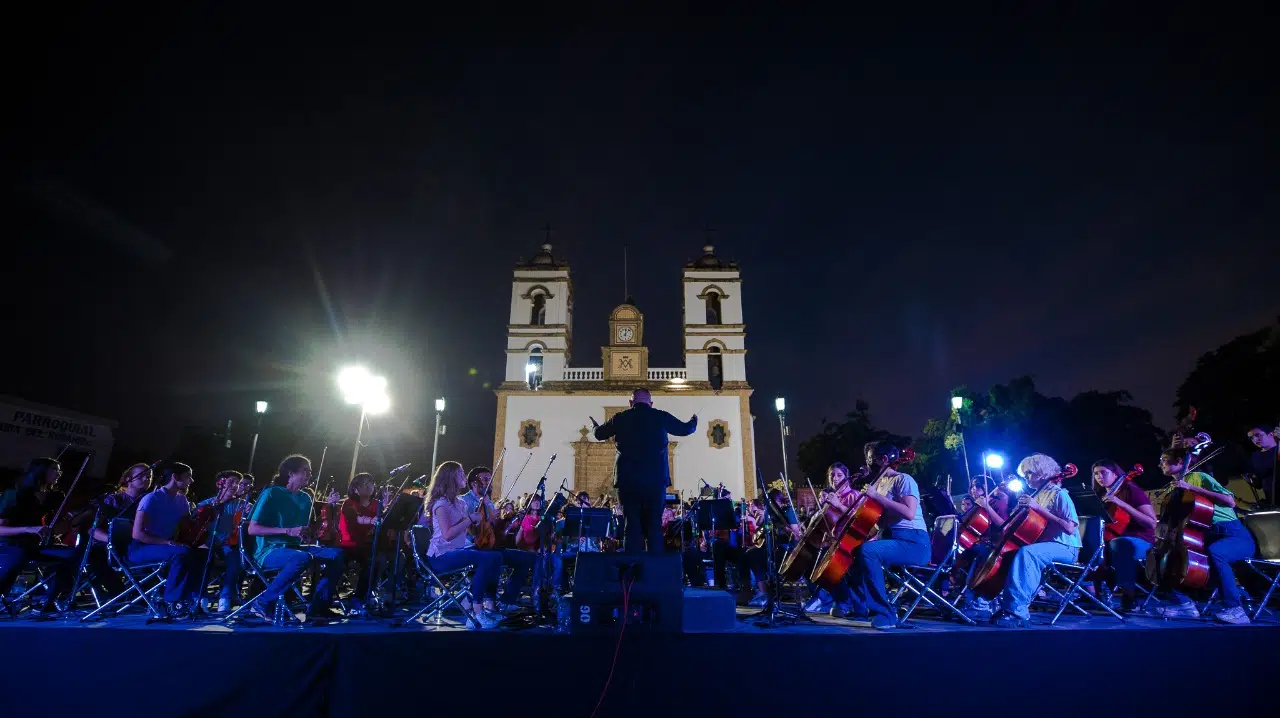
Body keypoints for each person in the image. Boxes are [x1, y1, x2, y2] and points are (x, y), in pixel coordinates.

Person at [828, 441, 931, 630]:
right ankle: (859, 607)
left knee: (868, 551)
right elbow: (877, 523)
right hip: (891, 539)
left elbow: (909, 512)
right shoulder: (881, 485)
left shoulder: (903, 479)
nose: (868, 465)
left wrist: (876, 497)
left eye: (870, 460)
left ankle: (885, 614)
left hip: (914, 542)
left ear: (883, 459)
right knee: (853, 553)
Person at [1153, 446, 1256, 625]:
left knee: (1217, 552)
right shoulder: (1173, 488)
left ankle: (1236, 609)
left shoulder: (1199, 478)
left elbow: (1229, 501)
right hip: (1204, 535)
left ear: (1180, 462)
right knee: (1166, 560)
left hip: (1232, 534)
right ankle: (1185, 604)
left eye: (1164, 460)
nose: (1159, 464)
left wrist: (1191, 487)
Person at [593, 388, 696, 553]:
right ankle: (654, 573)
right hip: (655, 482)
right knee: (654, 527)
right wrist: (694, 420)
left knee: (631, 526)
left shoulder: (620, 418)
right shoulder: (660, 416)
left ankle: (632, 573)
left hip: (628, 482)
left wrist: (594, 426)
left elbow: (599, 434)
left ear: (631, 403)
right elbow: (686, 429)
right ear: (651, 403)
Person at [247, 455, 346, 621]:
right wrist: (288, 531)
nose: (309, 474)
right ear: (291, 473)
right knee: (302, 557)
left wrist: (309, 532)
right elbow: (252, 529)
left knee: (336, 554)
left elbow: (301, 532)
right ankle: (263, 602)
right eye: (305, 470)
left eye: (310, 471)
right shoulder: (271, 493)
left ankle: (318, 607)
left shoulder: (306, 498)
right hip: (269, 551)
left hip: (295, 548)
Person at [985, 453, 1080, 628]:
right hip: (1044, 546)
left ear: (1042, 472)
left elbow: (1069, 528)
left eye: (1029, 473)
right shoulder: (1036, 495)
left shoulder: (1060, 494)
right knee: (1009, 553)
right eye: (1025, 474)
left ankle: (1017, 611)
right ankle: (989, 602)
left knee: (1027, 553)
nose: (1026, 478)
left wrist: (1037, 508)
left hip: (1066, 547)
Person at [423, 461, 502, 629]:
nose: (464, 477)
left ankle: (489, 604)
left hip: (457, 550)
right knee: (485, 560)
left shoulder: (460, 503)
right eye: (460, 473)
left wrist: (485, 519)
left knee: (496, 556)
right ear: (451, 478)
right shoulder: (441, 504)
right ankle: (476, 612)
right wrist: (470, 519)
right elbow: (448, 534)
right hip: (441, 555)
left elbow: (469, 531)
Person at [128, 461, 210, 617]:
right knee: (180, 554)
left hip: (168, 546)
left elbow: (186, 530)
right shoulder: (151, 498)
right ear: (174, 477)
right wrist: (166, 542)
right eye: (188, 477)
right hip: (141, 548)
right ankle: (171, 601)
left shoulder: (182, 501)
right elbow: (137, 534)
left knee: (204, 554)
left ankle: (193, 598)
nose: (191, 481)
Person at [0, 458, 79, 616]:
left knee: (73, 554)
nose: (59, 473)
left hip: (37, 545)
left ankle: (50, 600)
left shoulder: (54, 496)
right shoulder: (15, 494)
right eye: (54, 469)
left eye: (59, 470)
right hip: (11, 543)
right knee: (20, 555)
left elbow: (56, 526)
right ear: (40, 470)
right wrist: (28, 529)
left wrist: (72, 519)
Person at [462, 465, 537, 610]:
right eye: (484, 479)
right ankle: (486, 600)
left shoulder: (488, 501)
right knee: (495, 556)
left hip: (491, 544)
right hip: (474, 545)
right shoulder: (464, 501)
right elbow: (469, 530)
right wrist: (488, 520)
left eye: (490, 479)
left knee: (529, 558)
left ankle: (507, 600)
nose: (488, 482)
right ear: (473, 483)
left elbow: (493, 527)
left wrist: (505, 522)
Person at [79, 462, 154, 599]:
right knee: (96, 556)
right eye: (142, 476)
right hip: (107, 545)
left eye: (149, 477)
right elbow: (92, 528)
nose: (146, 479)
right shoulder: (112, 500)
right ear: (127, 479)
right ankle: (118, 593)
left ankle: (145, 594)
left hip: (136, 544)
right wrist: (111, 539)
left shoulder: (149, 502)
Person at [1091, 460, 1156, 612]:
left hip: (1140, 540)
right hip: (1112, 538)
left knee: (1119, 543)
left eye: (1104, 472)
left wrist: (1121, 503)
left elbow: (1152, 523)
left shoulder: (1132, 491)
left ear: (1115, 474)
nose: (1099, 476)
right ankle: (1092, 592)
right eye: (1096, 474)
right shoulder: (1101, 494)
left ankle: (1129, 595)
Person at [194, 470, 249, 612]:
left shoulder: (242, 505)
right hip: (207, 544)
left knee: (236, 560)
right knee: (202, 558)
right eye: (231, 482)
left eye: (237, 483)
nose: (235, 485)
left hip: (229, 544)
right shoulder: (205, 505)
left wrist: (249, 513)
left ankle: (225, 597)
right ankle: (201, 597)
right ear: (220, 484)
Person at [337, 472, 386, 614]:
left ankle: (372, 593)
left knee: (388, 558)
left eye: (371, 483)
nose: (369, 486)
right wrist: (373, 521)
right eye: (365, 484)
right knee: (372, 560)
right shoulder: (349, 503)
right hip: (350, 544)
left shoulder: (377, 504)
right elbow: (356, 519)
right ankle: (359, 598)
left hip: (369, 545)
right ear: (355, 488)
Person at [1245, 423, 1279, 507]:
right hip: (1272, 501)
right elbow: (1259, 484)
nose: (1255, 439)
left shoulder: (1278, 449)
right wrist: (1251, 480)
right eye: (1251, 438)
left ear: (1271, 434)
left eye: (1258, 435)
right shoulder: (1255, 457)